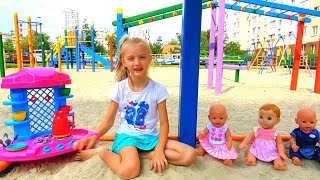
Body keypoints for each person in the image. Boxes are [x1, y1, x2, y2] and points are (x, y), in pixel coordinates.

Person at [72, 35, 197, 179]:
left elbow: (164, 125)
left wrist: (159, 151)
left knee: (190, 155)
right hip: (127, 137)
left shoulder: (158, 89)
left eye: (142, 57)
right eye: (131, 58)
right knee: (130, 170)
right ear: (124, 61)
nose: (137, 62)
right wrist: (93, 136)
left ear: (150, 58)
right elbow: (108, 121)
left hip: (151, 138)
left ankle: (144, 155)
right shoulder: (119, 89)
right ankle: (102, 152)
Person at [239, 103, 288, 170]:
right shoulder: (257, 130)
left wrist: (281, 152)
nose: (264, 120)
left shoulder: (275, 133)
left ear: (277, 121)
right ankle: (251, 160)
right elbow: (249, 137)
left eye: (269, 118)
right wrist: (244, 143)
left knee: (277, 157)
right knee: (251, 152)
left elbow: (279, 143)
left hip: (271, 151)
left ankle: (278, 164)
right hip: (257, 149)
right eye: (261, 117)